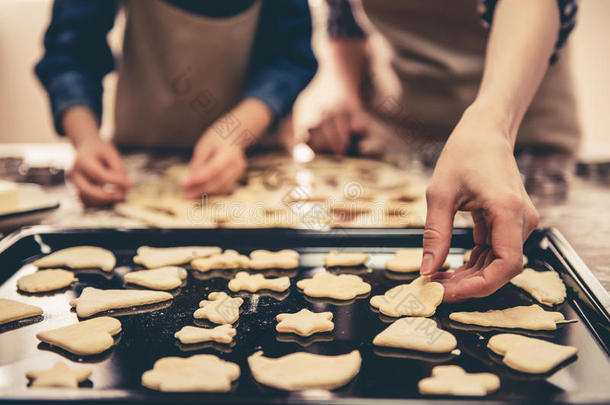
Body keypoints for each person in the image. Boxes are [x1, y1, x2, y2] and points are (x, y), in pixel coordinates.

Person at [308, 0, 579, 301]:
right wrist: (349, 98)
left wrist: (494, 121)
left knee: (513, 251)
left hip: (520, 131)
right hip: (401, 136)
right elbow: (343, 16)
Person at [36, 0, 317, 205]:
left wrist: (236, 132)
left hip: (257, 165)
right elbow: (71, 49)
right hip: (135, 169)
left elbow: (290, 55)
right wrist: (86, 140)